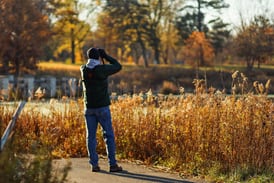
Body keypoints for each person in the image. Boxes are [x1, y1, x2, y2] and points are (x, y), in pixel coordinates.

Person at [80, 47, 122, 172]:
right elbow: (118, 66)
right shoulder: (102, 70)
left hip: (89, 108)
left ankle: (94, 165)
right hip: (102, 107)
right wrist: (106, 56)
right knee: (108, 135)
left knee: (91, 137)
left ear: (88, 57)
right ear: (98, 57)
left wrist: (99, 56)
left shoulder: (83, 69)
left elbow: (90, 67)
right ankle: (112, 164)